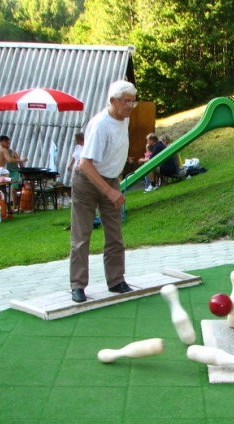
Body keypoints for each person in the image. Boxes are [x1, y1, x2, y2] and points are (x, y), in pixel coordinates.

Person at [69, 80, 138, 303]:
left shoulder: (124, 118)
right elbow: (85, 164)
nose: (130, 106)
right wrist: (109, 191)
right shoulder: (100, 124)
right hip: (86, 183)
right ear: (113, 101)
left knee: (115, 235)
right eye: (126, 101)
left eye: (133, 101)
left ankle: (116, 281)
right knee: (82, 237)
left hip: (110, 180)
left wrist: (115, 174)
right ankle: (78, 286)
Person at [0, 135, 28, 202]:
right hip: (0, 174)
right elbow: (9, 160)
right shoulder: (3, 150)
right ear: (3, 141)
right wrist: (20, 160)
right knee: (3, 190)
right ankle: (7, 207)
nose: (8, 145)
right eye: (8, 143)